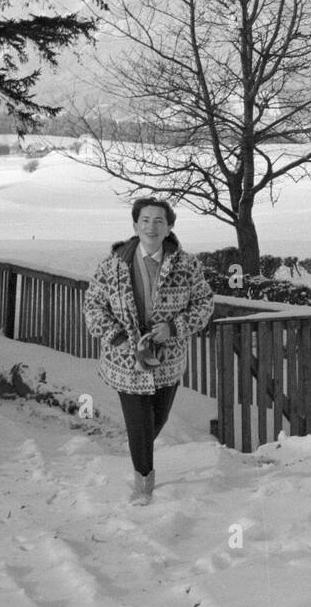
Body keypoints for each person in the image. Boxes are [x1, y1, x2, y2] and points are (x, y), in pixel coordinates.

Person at [83, 198, 215, 506]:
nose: (151, 227)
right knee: (139, 420)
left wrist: (174, 327)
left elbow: (205, 303)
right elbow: (92, 306)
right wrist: (116, 336)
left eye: (158, 221)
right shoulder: (113, 264)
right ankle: (143, 481)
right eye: (144, 220)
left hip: (167, 361)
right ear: (134, 226)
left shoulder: (187, 266)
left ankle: (138, 445)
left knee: (157, 418)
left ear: (169, 227)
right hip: (125, 360)